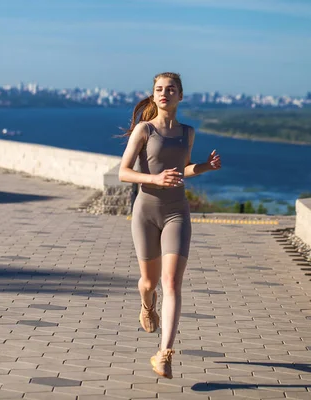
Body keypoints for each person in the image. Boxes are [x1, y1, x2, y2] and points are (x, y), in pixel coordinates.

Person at [118, 72, 221, 379]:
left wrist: (203, 167)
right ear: (153, 97)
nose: (164, 93)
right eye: (159, 89)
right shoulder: (144, 129)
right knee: (149, 283)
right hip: (146, 212)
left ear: (180, 96)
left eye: (170, 89)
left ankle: (164, 355)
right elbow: (123, 172)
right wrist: (154, 179)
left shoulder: (187, 132)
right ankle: (147, 305)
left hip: (177, 211)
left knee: (172, 282)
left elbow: (182, 169)